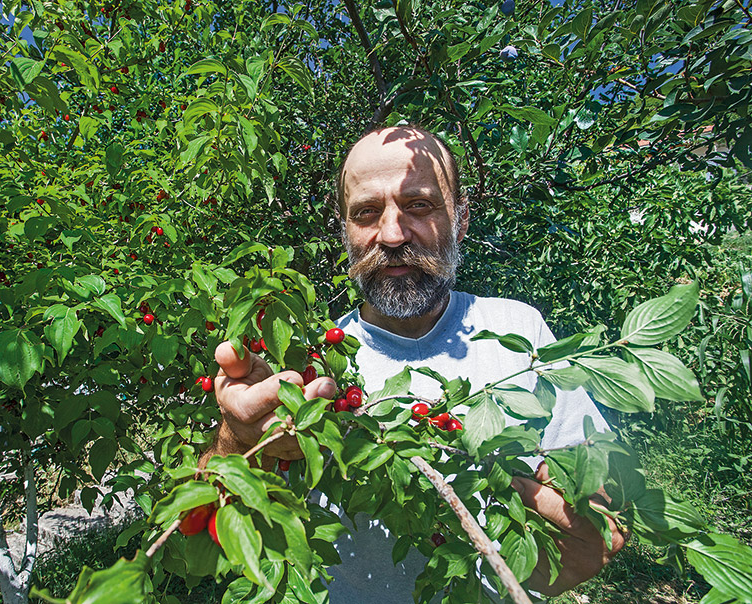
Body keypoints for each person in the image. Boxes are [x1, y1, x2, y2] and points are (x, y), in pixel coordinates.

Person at [200, 126, 626, 601]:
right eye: (366, 212)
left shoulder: (521, 335)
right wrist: (234, 441)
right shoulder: (310, 362)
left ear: (460, 220)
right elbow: (203, 531)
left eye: (419, 205)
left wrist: (571, 545)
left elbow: (596, 494)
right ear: (346, 232)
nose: (392, 233)